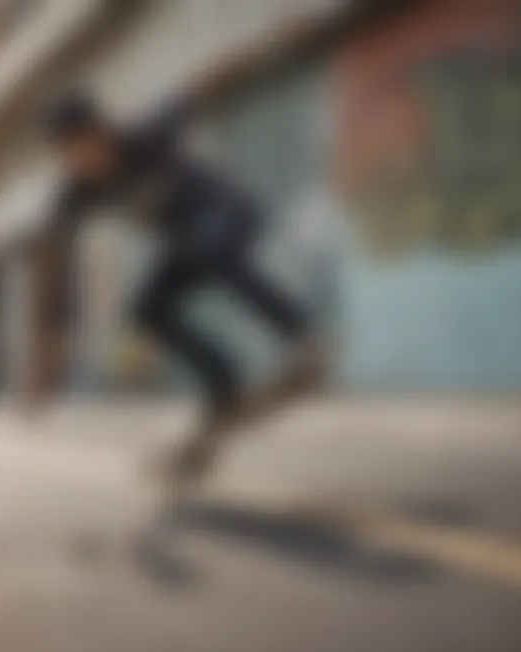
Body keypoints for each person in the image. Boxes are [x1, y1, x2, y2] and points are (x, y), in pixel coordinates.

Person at [29, 75, 322, 483]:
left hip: (228, 210)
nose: (85, 163)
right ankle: (225, 387)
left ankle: (301, 336)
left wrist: (231, 70)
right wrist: (47, 361)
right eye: (71, 156)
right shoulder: (75, 195)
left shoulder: (145, 135)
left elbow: (194, 92)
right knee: (147, 309)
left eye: (86, 147)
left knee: (209, 247)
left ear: (102, 131)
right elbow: (55, 272)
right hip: (187, 245)